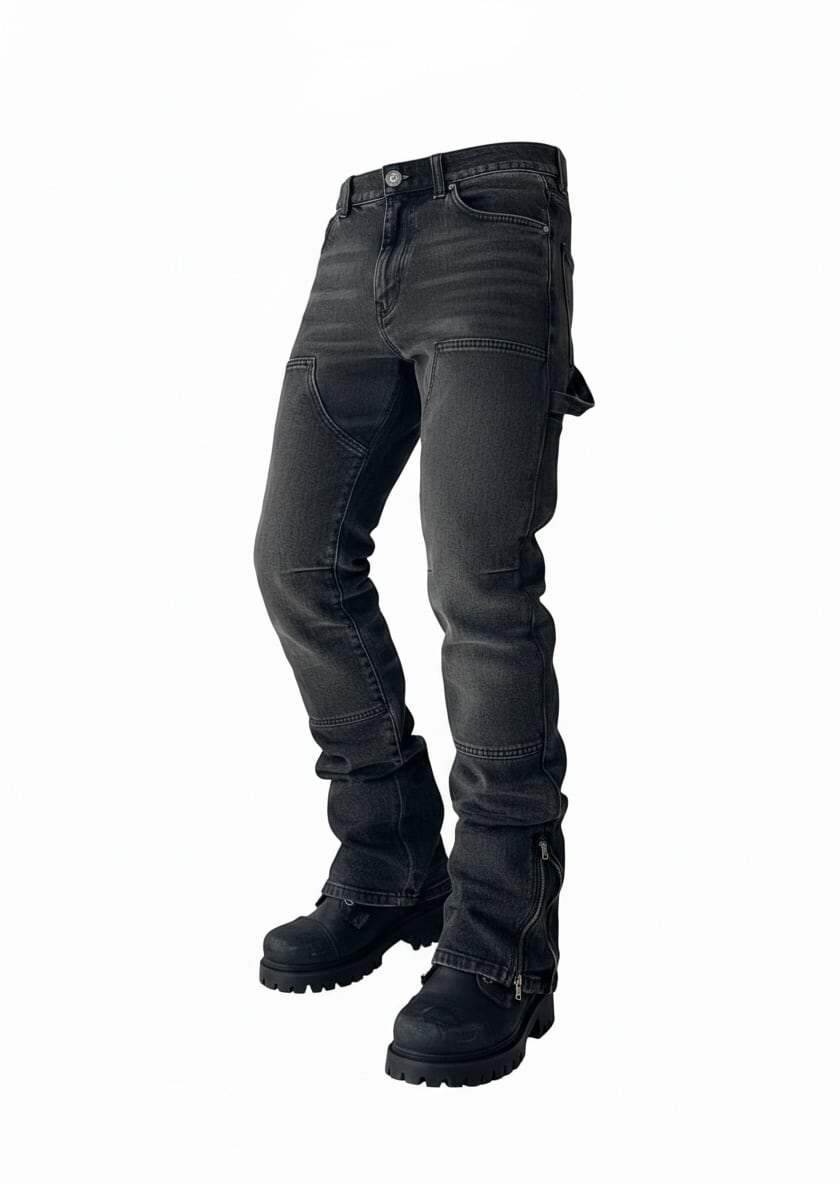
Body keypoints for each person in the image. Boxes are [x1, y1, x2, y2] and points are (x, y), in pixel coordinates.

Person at [252, 140, 594, 1087]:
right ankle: (389, 863)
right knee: (294, 562)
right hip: (355, 231)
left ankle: (501, 943)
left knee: (478, 585)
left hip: (496, 219)